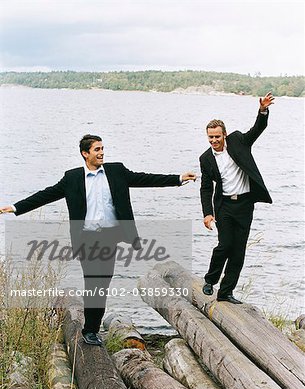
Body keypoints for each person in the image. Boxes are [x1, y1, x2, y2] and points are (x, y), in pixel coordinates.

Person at [0, 134, 196, 345]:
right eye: (97, 149)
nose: (101, 152)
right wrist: (15, 207)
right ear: (85, 154)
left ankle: (92, 327)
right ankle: (90, 331)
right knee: (94, 282)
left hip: (110, 237)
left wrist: (178, 178)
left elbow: (145, 178)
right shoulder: (72, 178)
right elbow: (46, 194)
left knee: (103, 283)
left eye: (102, 148)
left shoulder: (116, 171)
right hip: (87, 239)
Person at [200, 92, 274, 304]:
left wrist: (262, 111)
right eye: (210, 137)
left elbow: (257, 129)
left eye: (217, 136)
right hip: (223, 206)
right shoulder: (205, 158)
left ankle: (226, 292)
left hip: (244, 204)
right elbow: (206, 188)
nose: (214, 140)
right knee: (225, 244)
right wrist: (207, 213)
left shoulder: (239, 141)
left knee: (238, 252)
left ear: (224, 135)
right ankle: (210, 280)